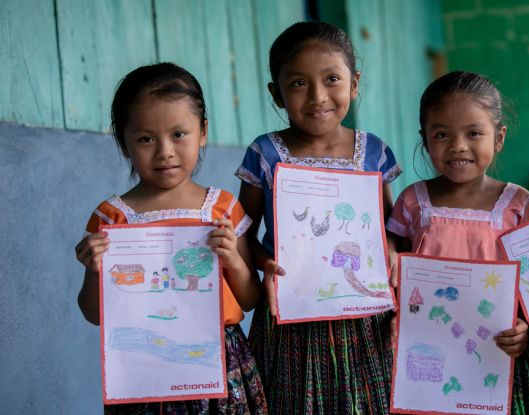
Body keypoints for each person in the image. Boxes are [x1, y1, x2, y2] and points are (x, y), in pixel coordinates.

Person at [74, 62, 267, 415]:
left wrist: (234, 260)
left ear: (203, 131)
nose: (164, 151)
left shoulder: (223, 208)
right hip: (144, 367)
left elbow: (251, 298)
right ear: (124, 141)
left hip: (218, 360)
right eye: (146, 138)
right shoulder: (111, 218)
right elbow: (94, 315)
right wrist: (92, 271)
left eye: (179, 134)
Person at [235, 22, 402, 414]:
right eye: (298, 84)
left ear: (354, 83)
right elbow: (245, 236)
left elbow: (392, 229)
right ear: (276, 94)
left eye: (332, 79)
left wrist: (392, 250)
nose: (318, 97)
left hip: (363, 316)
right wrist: (266, 264)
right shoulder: (265, 154)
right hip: (290, 316)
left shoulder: (373, 153)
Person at [385, 70, 529, 414]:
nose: (458, 146)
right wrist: (391, 256)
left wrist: (525, 327)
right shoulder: (413, 201)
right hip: (427, 356)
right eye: (442, 134)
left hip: (498, 355)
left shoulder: (518, 205)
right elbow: (389, 254)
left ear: (498, 137)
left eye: (474, 133)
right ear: (425, 139)